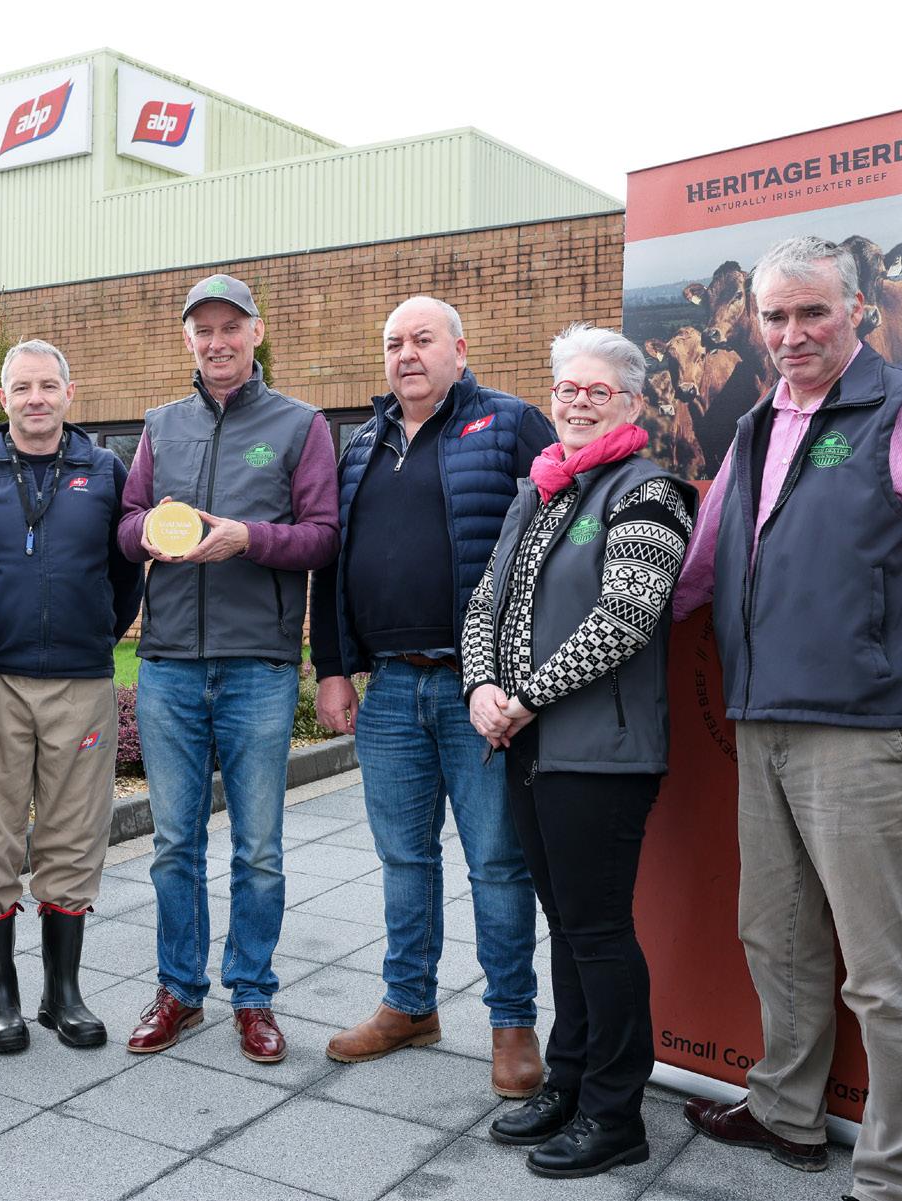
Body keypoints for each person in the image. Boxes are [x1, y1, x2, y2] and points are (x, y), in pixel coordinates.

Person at [674, 234, 902, 1201]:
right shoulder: (755, 427)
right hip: (762, 718)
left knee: (880, 963)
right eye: (776, 316)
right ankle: (788, 1111)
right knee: (776, 933)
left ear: (859, 310)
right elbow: (700, 569)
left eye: (813, 312)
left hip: (862, 727)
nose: (792, 333)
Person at [462, 324, 695, 1177]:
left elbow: (625, 618)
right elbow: (485, 598)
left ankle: (615, 1111)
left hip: (601, 752)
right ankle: (568, 1081)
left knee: (597, 931)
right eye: (568, 389)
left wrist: (523, 698)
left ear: (632, 403)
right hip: (530, 747)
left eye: (600, 391)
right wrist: (481, 687)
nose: (580, 403)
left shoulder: (649, 490)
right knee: (564, 925)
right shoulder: (541, 488)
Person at [310, 296, 554, 1095]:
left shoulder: (511, 424)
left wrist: (520, 675)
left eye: (422, 339)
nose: (406, 354)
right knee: (404, 857)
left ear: (460, 347)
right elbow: (332, 562)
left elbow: (555, 547)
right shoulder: (363, 444)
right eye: (393, 342)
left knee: (497, 862)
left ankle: (512, 1023)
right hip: (390, 688)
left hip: (477, 690)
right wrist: (333, 665)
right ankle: (409, 1003)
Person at [118, 273, 339, 1064]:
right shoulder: (160, 425)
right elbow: (126, 523)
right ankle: (179, 988)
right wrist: (149, 533)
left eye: (230, 327)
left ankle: (253, 995)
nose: (217, 342)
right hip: (170, 663)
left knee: (259, 848)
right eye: (203, 330)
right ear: (189, 338)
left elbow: (323, 535)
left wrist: (250, 537)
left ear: (256, 332)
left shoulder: (300, 425)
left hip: (258, 665)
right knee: (174, 843)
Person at [0, 339, 142, 1052]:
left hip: (82, 681)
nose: (35, 399)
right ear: (3, 398)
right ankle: (1, 995)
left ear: (68, 392)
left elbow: (126, 571)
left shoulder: (105, 470)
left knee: (74, 834)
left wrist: (97, 630)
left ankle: (63, 993)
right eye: (22, 387)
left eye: (48, 386)